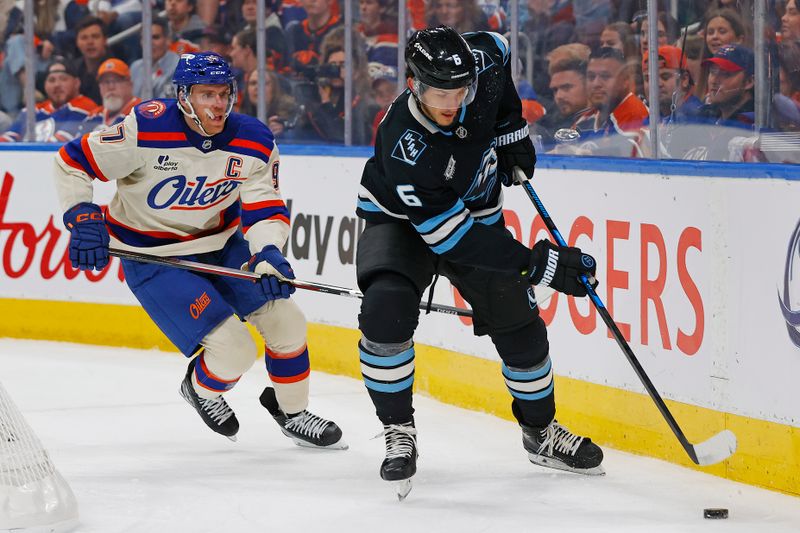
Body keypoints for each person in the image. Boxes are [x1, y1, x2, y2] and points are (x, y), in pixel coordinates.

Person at [355, 26, 604, 498]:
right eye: (438, 93)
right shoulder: (404, 142)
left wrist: (510, 126)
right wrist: (540, 264)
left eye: (461, 91)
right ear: (413, 84)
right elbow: (454, 240)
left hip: (478, 215)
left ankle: (541, 432)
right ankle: (398, 429)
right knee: (386, 307)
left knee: (520, 325)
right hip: (401, 223)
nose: (452, 103)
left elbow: (499, 49)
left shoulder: (481, 60)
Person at [53, 52, 346, 449]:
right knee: (235, 350)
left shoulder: (254, 139)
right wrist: (83, 215)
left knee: (287, 321)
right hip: (154, 257)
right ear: (184, 96)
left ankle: (292, 412)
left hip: (220, 245)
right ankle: (200, 389)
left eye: (224, 93)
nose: (219, 104)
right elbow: (72, 161)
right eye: (207, 94)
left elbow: (264, 207)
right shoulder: (147, 127)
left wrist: (267, 252)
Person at [1, 58, 96, 142]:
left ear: (76, 83)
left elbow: (58, 143)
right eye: (51, 80)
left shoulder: (85, 106)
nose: (57, 85)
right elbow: (7, 138)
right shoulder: (33, 110)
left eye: (63, 79)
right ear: (45, 85)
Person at [79, 58, 141, 134]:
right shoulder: (94, 116)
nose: (111, 87)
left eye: (116, 80)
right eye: (105, 82)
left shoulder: (141, 113)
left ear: (130, 84)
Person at [130, 18, 181, 99]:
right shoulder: (135, 67)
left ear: (168, 40)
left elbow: (169, 103)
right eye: (145, 38)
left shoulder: (178, 66)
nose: (150, 43)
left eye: (155, 37)